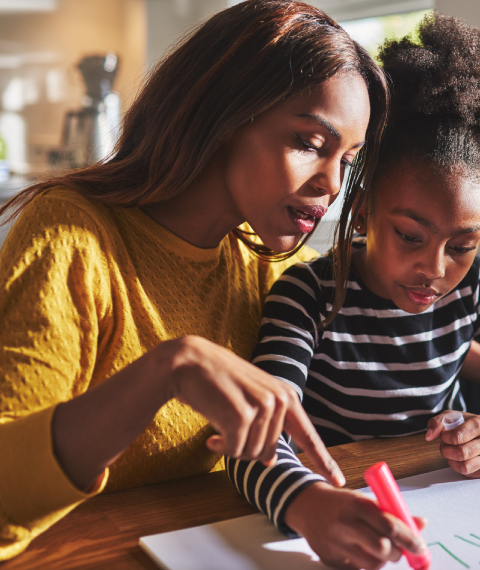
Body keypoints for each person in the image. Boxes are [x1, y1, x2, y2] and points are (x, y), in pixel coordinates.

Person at [0, 0, 394, 560]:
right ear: (225, 117)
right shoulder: (74, 233)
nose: (331, 184)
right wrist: (167, 369)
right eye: (310, 143)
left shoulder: (264, 262)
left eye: (347, 161)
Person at [228, 13, 480, 570]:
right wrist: (308, 502)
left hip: (451, 513)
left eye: (463, 244)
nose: (434, 268)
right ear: (368, 207)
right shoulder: (307, 294)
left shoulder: (473, 287)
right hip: (343, 512)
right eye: (409, 235)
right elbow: (256, 442)